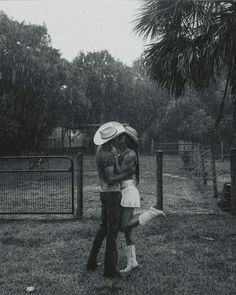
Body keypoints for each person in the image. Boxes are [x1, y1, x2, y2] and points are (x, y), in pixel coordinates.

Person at [111, 126, 166, 275]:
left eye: (123, 136)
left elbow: (118, 172)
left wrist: (115, 157)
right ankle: (132, 262)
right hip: (126, 190)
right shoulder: (128, 152)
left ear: (128, 139)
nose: (121, 138)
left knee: (123, 227)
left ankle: (151, 213)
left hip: (128, 191)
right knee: (129, 231)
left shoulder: (130, 154)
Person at [86, 122, 135, 279]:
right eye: (116, 137)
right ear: (112, 139)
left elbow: (112, 172)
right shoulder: (107, 154)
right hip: (112, 194)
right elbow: (111, 178)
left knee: (104, 228)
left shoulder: (102, 149)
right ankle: (110, 270)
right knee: (112, 232)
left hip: (103, 192)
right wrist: (128, 171)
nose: (119, 140)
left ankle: (91, 262)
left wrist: (117, 159)